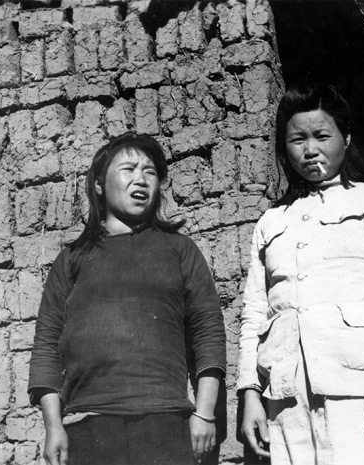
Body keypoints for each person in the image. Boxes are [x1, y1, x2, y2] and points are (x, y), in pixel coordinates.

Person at [237, 83, 364, 464]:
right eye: (297, 140)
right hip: (286, 399)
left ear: (346, 138)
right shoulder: (271, 222)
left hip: (359, 389)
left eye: (322, 136)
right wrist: (250, 394)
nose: (309, 150)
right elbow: (254, 317)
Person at [28, 132, 226, 465]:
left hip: (165, 422)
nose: (141, 179)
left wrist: (205, 414)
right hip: (86, 426)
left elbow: (208, 332)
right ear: (99, 185)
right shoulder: (73, 258)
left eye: (149, 171)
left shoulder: (179, 250)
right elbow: (47, 343)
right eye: (128, 169)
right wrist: (53, 427)